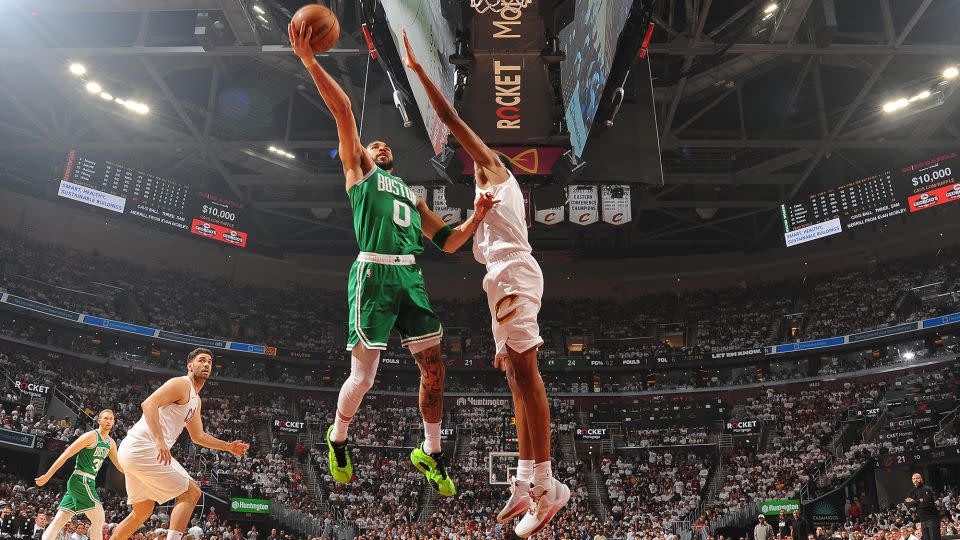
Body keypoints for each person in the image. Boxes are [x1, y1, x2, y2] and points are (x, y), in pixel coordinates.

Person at [287, 21, 498, 497]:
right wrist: (309, 61)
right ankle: (338, 437)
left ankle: (432, 451)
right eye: (372, 143)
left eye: (384, 145)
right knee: (364, 376)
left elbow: (447, 242)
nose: (378, 146)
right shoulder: (358, 171)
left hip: (410, 279)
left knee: (436, 368)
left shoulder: (411, 193)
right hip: (373, 274)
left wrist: (478, 215)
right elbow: (343, 110)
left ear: (393, 157)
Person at [399, 29, 568, 537]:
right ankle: (525, 477)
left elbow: (452, 122)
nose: (469, 162)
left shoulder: (497, 174)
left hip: (514, 273)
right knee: (515, 376)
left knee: (526, 371)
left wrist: (419, 71)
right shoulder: (487, 201)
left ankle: (547, 483)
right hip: (499, 280)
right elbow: (449, 239)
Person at [112, 348, 250, 540]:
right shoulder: (181, 384)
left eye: (209, 362)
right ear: (190, 365)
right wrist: (160, 441)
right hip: (144, 446)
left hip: (133, 451)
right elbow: (148, 404)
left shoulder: (196, 399)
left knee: (142, 512)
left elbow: (198, 436)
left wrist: (228, 446)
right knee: (191, 492)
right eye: (201, 360)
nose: (206, 364)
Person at [35, 409, 123, 540]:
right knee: (99, 519)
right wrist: (48, 475)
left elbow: (119, 465)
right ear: (99, 421)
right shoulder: (91, 436)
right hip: (81, 479)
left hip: (89, 481)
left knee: (59, 521)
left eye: (111, 419)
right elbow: (66, 454)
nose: (109, 421)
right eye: (105, 418)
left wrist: (138, 475)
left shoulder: (111, 443)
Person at [906, 473, 941, 540]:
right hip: (922, 520)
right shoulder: (912, 491)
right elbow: (907, 504)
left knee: (934, 538)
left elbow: (926, 503)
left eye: (917, 478)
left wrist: (913, 501)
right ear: (912, 481)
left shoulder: (927, 489)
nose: (915, 480)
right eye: (913, 478)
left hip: (932, 518)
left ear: (921, 479)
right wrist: (919, 501)